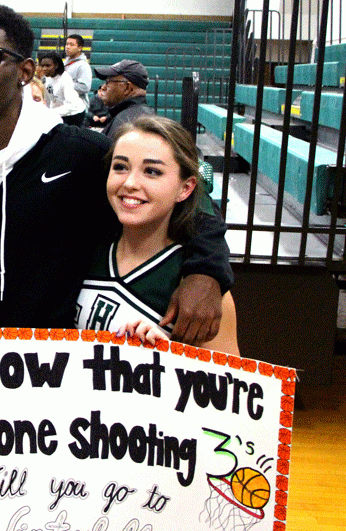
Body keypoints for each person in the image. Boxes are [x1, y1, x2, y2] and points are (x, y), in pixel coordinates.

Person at [0, 1, 232, 531]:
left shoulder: (78, 156)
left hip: (57, 406)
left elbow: (175, 196)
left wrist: (207, 269)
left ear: (26, 71)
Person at [77, 115, 239, 355]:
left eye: (152, 171)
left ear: (185, 188)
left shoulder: (203, 288)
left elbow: (229, 385)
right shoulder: (82, 251)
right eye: (120, 167)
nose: (130, 183)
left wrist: (168, 359)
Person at [94, 59, 154, 139]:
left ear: (127, 88)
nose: (103, 87)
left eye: (108, 82)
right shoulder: (141, 115)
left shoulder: (126, 123)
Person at [37, 50, 86, 126]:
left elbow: (71, 105)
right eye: (42, 66)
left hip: (74, 114)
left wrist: (51, 112)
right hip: (60, 112)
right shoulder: (48, 78)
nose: (44, 69)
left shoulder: (65, 79)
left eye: (48, 66)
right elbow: (51, 99)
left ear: (56, 65)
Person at [63, 34, 92, 105]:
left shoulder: (83, 65)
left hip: (78, 106)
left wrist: (64, 85)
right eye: (67, 44)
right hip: (65, 105)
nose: (67, 47)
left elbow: (85, 87)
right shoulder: (64, 63)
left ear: (80, 48)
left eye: (71, 45)